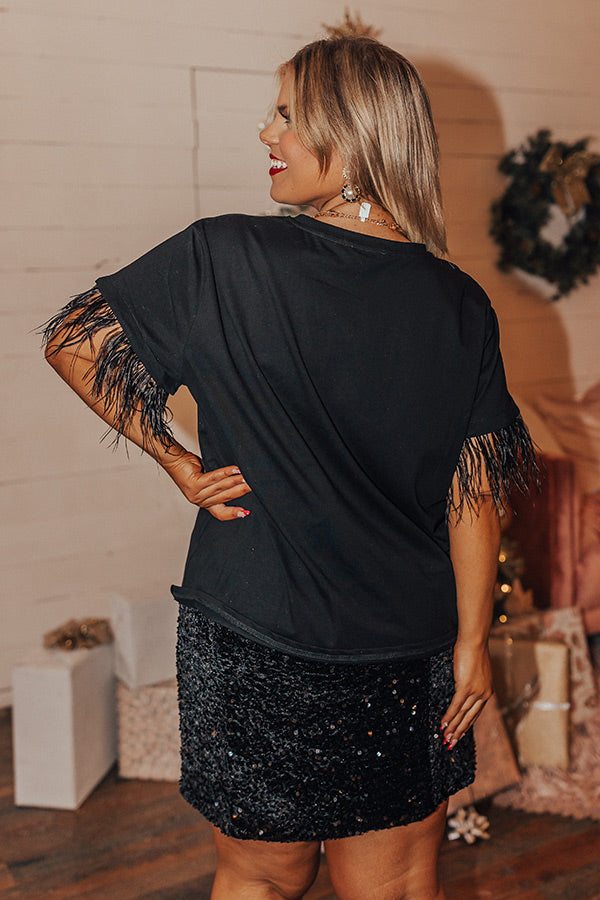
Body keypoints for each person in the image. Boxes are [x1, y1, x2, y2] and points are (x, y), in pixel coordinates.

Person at [43, 35, 538, 900]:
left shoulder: (225, 257)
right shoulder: (461, 304)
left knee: (259, 880)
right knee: (395, 884)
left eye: (287, 114)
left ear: (354, 138)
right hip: (405, 645)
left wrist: (177, 461)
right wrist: (472, 643)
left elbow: (73, 342)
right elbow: (473, 493)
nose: (266, 131)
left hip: (256, 637)